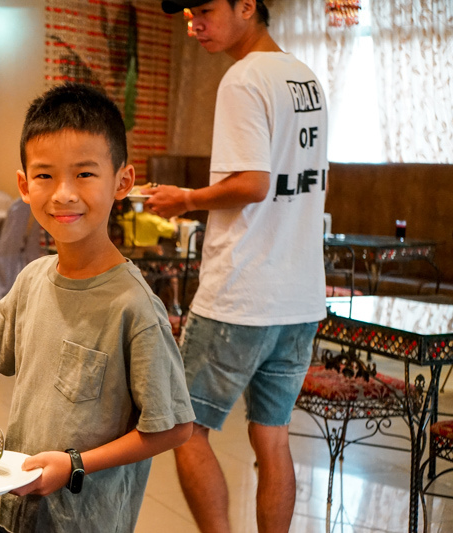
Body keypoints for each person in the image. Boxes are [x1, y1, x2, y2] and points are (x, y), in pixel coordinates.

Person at [0, 83, 194, 533]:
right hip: (11, 506)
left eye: (84, 174)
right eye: (45, 176)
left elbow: (173, 427)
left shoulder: (135, 307)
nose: (63, 194)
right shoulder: (33, 278)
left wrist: (75, 465)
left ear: (122, 181)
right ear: (25, 186)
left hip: (82, 518)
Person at [146, 1, 328, 531]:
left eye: (204, 10)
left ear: (246, 6)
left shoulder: (243, 78)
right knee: (272, 436)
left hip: (242, 294)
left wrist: (185, 199)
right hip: (298, 296)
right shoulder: (306, 78)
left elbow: (252, 184)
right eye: (187, 14)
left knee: (185, 426)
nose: (193, 24)